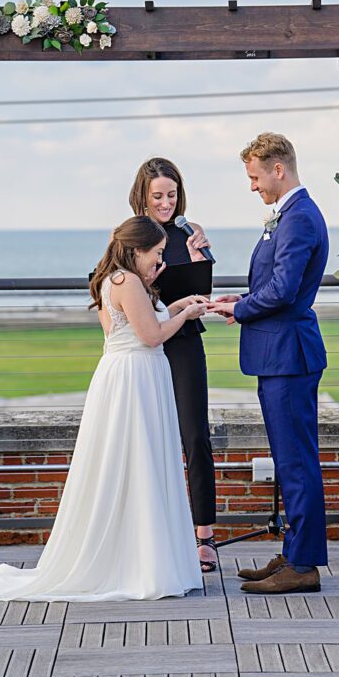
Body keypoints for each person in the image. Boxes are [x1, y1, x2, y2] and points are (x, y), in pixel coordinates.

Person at [0, 216, 207, 602]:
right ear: (137, 249)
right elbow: (152, 335)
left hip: (129, 375)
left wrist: (176, 304)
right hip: (135, 378)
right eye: (156, 253)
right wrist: (185, 316)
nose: (159, 261)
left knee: (133, 463)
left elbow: (147, 319)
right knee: (138, 461)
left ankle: (140, 556)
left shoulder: (118, 279)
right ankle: (141, 563)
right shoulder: (126, 282)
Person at [208, 132, 328, 594]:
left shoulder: (298, 218)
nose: (253, 186)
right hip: (279, 352)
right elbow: (274, 286)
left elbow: (282, 291)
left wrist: (239, 310)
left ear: (279, 169)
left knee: (297, 461)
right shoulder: (291, 215)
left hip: (288, 355)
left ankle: (302, 567)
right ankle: (296, 553)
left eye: (256, 177)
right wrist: (238, 300)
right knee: (290, 458)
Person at [129, 157, 219, 573]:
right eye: (158, 196)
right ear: (142, 197)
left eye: (172, 194)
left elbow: (202, 290)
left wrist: (201, 255)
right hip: (147, 346)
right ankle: (148, 536)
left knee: (195, 435)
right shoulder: (130, 237)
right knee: (147, 439)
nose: (166, 203)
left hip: (185, 344)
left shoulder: (189, 233)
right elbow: (107, 282)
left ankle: (204, 536)